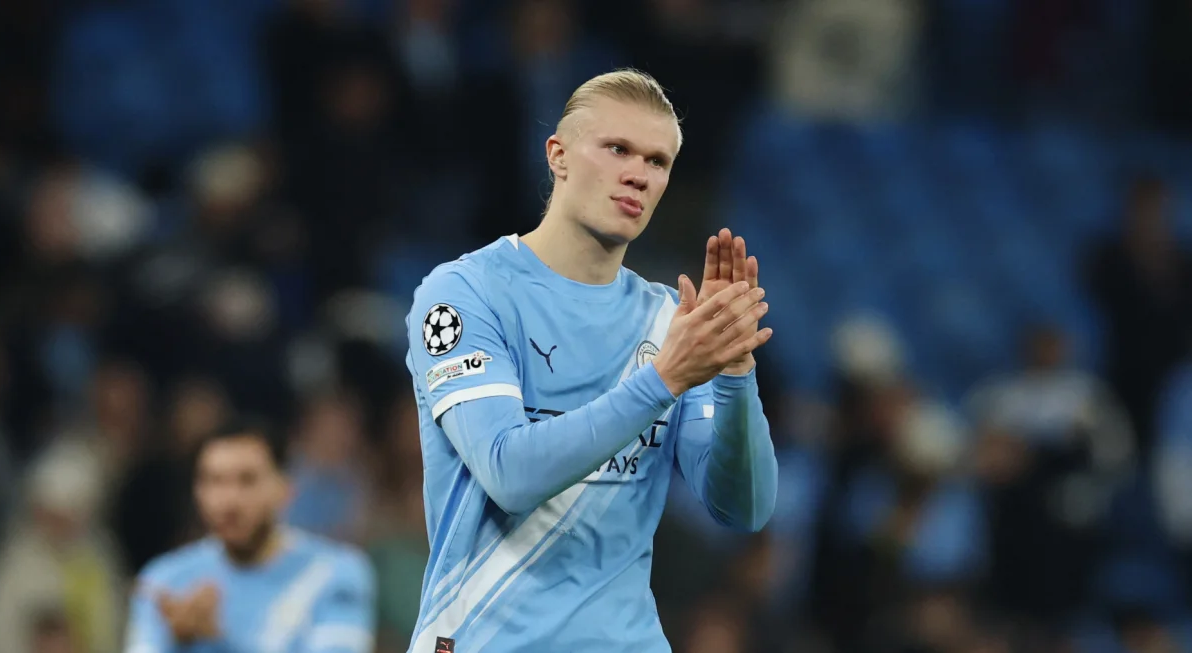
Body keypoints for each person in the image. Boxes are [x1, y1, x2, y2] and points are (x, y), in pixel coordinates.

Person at [403, 68, 778, 653]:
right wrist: (665, 379)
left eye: (657, 162)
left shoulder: (667, 323)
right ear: (558, 156)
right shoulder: (464, 294)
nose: (638, 173)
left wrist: (734, 376)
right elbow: (510, 473)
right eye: (617, 148)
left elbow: (743, 508)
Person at [124, 418, 377, 653]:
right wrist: (176, 641)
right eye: (214, 481)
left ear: (285, 488)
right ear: (197, 492)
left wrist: (215, 641)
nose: (229, 501)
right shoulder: (164, 582)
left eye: (247, 480)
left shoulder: (336, 574)